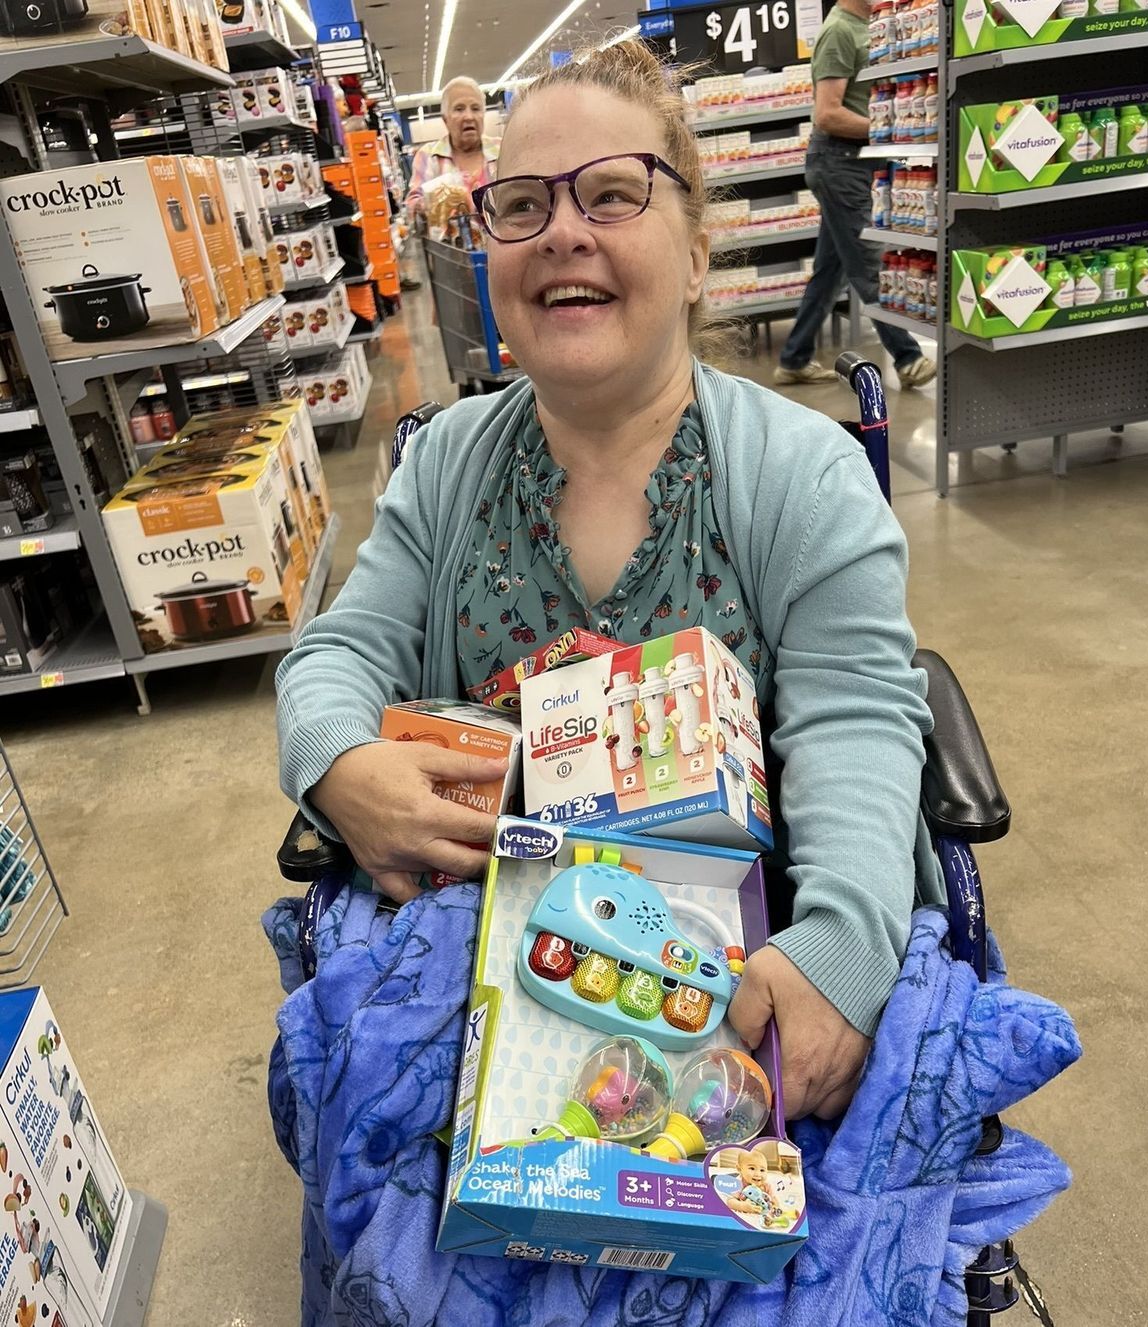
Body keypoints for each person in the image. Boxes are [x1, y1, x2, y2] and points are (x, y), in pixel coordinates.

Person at [276, 40, 942, 1123]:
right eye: (525, 203)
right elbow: (342, 650)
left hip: (736, 979)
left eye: (615, 195)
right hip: (495, 963)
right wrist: (337, 762)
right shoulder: (445, 464)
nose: (564, 232)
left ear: (693, 255)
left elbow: (856, 718)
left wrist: (840, 947)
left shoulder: (799, 474)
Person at [772, 0, 936, 389]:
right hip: (838, 162)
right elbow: (827, 114)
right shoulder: (839, 31)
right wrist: (889, 129)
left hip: (860, 164)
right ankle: (909, 358)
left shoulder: (871, 25)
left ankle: (794, 359)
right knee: (869, 262)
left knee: (831, 270)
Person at [404, 75, 501, 215]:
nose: (469, 116)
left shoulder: (502, 149)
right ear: (445, 119)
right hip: (449, 237)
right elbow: (412, 207)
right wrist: (440, 199)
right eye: (459, 109)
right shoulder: (428, 156)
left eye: (475, 108)